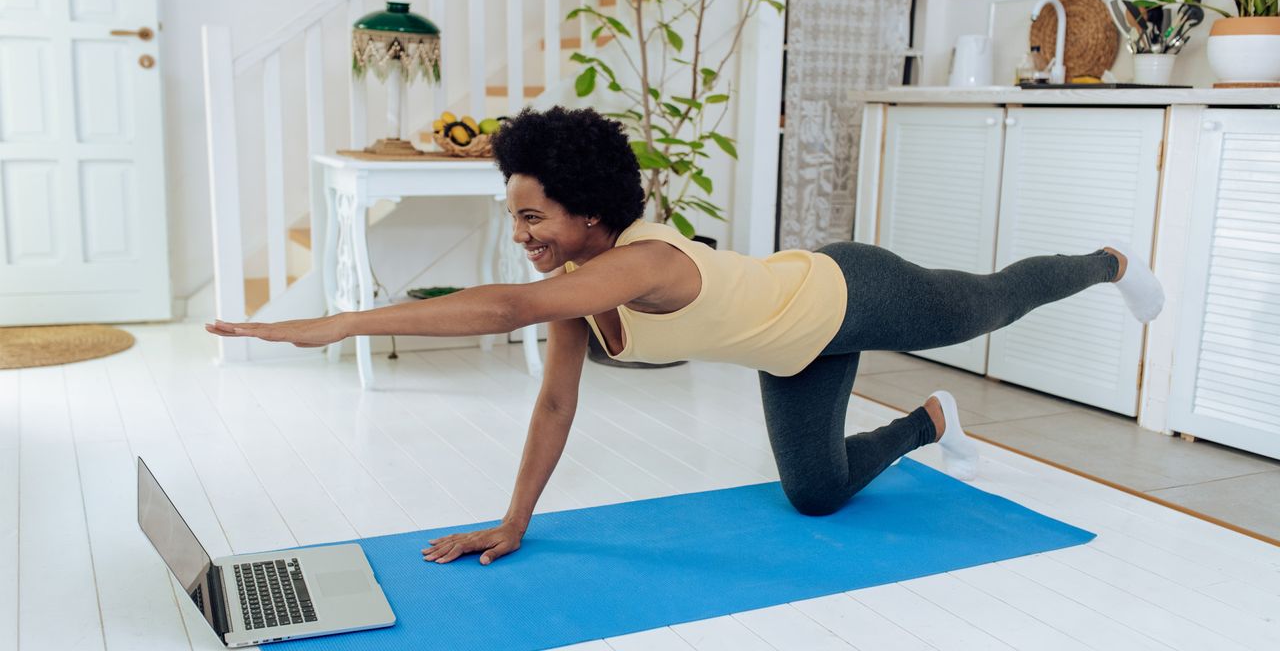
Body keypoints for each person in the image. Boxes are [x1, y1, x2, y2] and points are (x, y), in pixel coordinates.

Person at [207, 106, 1165, 567]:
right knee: (818, 495)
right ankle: (927, 422)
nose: (523, 236)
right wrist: (513, 524)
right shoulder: (585, 291)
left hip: (850, 291)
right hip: (795, 349)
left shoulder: (650, 262)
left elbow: (501, 310)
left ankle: (1108, 264)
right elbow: (552, 401)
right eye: (514, 218)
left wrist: (337, 321)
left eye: (533, 217)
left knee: (987, 304)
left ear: (588, 215)